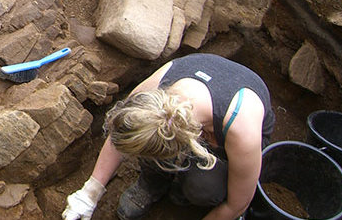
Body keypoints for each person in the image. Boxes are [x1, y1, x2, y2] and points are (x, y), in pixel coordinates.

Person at [62, 53, 275, 220]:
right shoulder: (152, 97)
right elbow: (122, 134)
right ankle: (153, 183)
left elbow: (237, 205)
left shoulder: (242, 131)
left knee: (203, 188)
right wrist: (90, 192)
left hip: (227, 140)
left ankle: (184, 192)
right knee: (146, 144)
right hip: (195, 124)